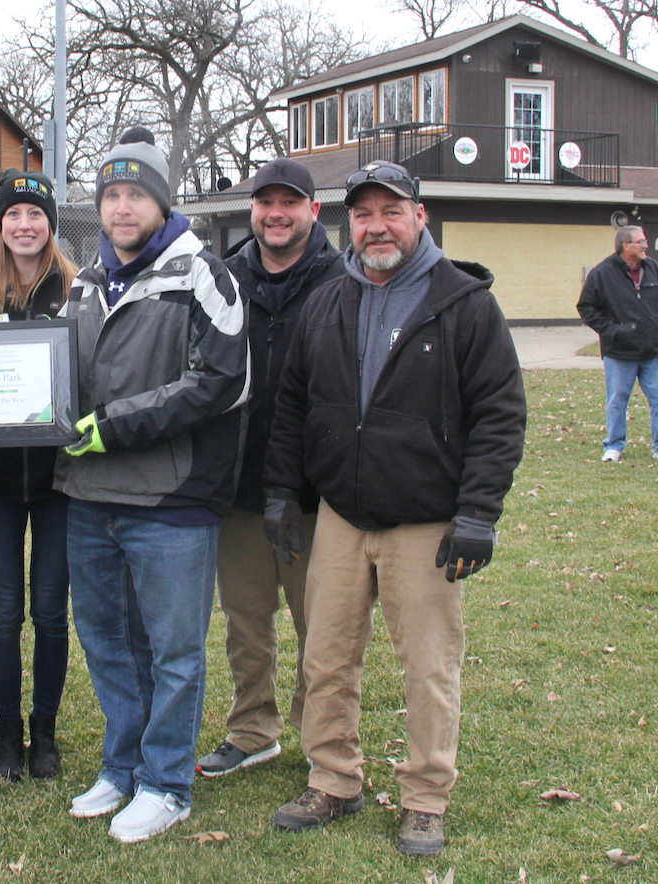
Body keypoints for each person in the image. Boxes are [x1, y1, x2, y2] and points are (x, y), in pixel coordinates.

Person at [264, 160, 526, 856]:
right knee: (325, 657)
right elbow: (293, 405)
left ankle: (425, 798)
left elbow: (500, 416)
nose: (376, 225)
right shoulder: (327, 299)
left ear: (420, 216)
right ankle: (333, 779)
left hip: (427, 522)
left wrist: (477, 513)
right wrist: (281, 493)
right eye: (362, 214)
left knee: (429, 666)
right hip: (344, 519)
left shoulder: (465, 303)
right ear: (348, 223)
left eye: (390, 210)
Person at [58, 127, 250, 843]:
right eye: (111, 194)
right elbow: (61, 377)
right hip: (88, 496)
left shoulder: (204, 273)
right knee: (107, 640)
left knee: (172, 649)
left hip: (170, 500)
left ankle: (167, 782)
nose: (121, 206)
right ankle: (124, 764)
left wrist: (114, 424)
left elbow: (220, 383)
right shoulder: (84, 279)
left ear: (161, 202)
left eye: (135, 193)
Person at [196, 158, 344, 778]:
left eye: (290, 202)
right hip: (240, 487)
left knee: (323, 625)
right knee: (246, 620)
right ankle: (253, 728)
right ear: (251, 210)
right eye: (265, 202)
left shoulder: (346, 281)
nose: (276, 214)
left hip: (319, 493)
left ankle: (322, 734)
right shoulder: (223, 280)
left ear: (314, 210)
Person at [0, 169, 78, 782]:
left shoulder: (81, 291)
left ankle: (46, 734)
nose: (24, 225)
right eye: (13, 215)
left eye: (35, 214)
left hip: (60, 481)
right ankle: (8, 737)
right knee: (4, 611)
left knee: (51, 612)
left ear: (51, 224)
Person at [576, 224, 658, 462]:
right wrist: (612, 331)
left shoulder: (653, 269)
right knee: (617, 400)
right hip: (619, 352)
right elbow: (586, 307)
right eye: (641, 242)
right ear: (626, 246)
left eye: (645, 241)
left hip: (652, 350)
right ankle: (614, 446)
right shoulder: (602, 274)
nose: (646, 245)